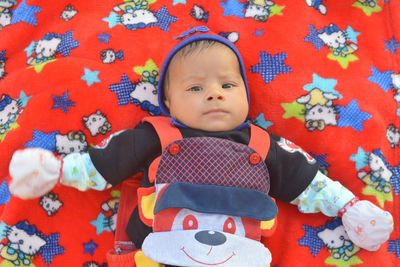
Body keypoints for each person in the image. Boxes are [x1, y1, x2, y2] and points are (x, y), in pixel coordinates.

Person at [8, 26, 394, 267]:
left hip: (240, 257)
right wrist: (57, 170)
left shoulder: (265, 145)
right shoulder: (156, 136)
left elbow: (310, 184)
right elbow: (103, 162)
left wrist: (348, 208)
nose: (214, 94)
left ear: (245, 94)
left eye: (227, 85)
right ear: (170, 104)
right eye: (195, 88)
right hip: (155, 255)